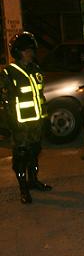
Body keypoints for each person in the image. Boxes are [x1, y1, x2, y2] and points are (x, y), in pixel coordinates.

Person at [0, 32, 52, 204]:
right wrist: (9, 124)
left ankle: (33, 181)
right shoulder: (9, 73)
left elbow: (40, 95)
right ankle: (23, 189)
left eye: (31, 49)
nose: (30, 53)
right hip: (20, 125)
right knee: (21, 156)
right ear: (18, 52)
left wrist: (45, 119)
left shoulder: (35, 70)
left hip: (36, 122)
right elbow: (5, 101)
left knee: (34, 152)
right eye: (26, 50)